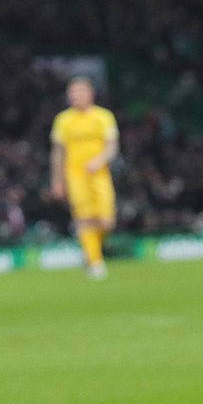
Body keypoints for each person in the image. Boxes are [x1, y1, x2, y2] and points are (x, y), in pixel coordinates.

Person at [50, 77, 119, 278]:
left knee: (107, 221)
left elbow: (112, 146)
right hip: (75, 176)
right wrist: (57, 180)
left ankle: (92, 250)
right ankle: (95, 260)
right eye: (72, 93)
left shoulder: (103, 117)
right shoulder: (63, 120)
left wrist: (99, 160)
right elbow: (58, 153)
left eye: (79, 92)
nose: (75, 96)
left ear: (90, 94)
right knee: (84, 218)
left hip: (100, 174)